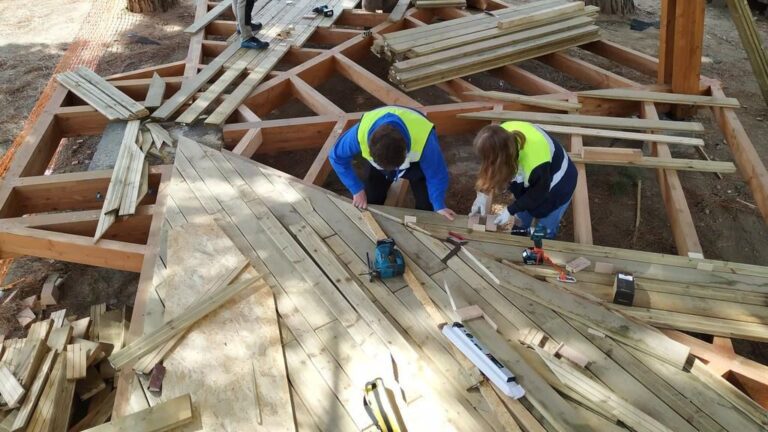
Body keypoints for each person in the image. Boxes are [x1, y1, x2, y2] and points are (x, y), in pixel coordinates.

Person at [329, 106, 456, 220]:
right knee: (370, 200)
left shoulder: (425, 140)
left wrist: (438, 205)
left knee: (427, 207)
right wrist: (356, 189)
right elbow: (336, 158)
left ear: (405, 151)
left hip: (415, 164)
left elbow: (436, 175)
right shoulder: (359, 134)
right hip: (379, 168)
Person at [469, 121, 577, 239]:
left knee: (544, 230)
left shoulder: (535, 163)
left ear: (503, 157)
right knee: (521, 221)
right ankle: (519, 239)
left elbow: (538, 193)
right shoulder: (498, 135)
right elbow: (490, 166)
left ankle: (542, 243)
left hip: (559, 184)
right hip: (537, 179)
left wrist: (510, 210)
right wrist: (482, 195)